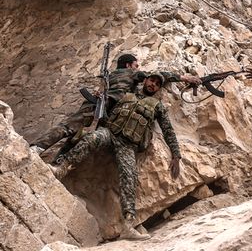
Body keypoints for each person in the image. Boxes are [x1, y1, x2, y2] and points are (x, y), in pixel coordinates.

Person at [51, 73, 181, 240]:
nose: (153, 85)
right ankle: (61, 168)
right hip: (109, 133)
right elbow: (105, 109)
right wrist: (100, 99)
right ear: (145, 80)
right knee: (90, 138)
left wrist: (176, 155)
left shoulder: (158, 107)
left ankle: (128, 225)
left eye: (157, 84)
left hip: (128, 145)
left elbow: (168, 131)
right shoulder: (126, 94)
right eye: (152, 80)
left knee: (130, 176)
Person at [32, 53, 200, 156]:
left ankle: (45, 153)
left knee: (74, 132)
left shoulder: (111, 75)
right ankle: (39, 149)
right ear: (128, 65)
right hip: (103, 106)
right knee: (73, 131)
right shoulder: (131, 74)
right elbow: (160, 75)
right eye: (136, 65)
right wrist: (185, 78)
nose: (138, 68)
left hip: (99, 107)